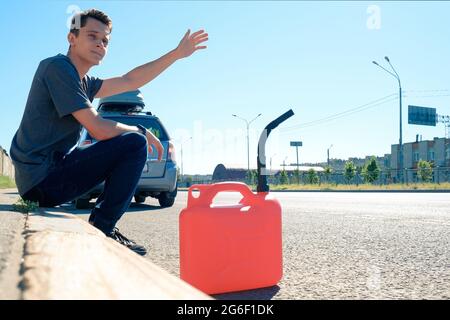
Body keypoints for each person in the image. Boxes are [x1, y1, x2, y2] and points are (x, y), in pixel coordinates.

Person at [9, 8, 208, 256]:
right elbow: (98, 128)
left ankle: (103, 225)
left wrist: (177, 54)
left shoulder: (83, 82)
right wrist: (141, 131)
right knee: (134, 142)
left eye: (105, 41)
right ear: (72, 38)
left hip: (47, 177)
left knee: (131, 141)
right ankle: (103, 227)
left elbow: (129, 80)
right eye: (92, 36)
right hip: (41, 180)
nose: (100, 44)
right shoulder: (57, 68)